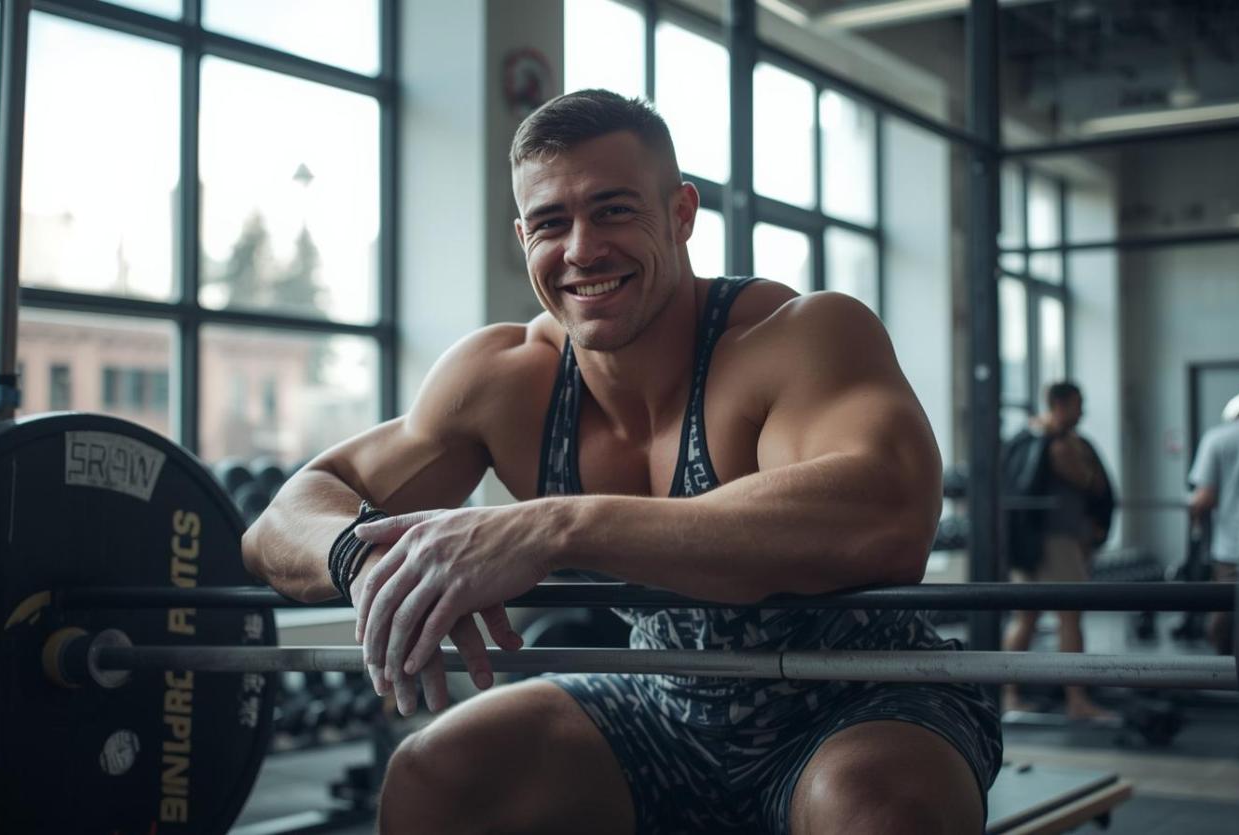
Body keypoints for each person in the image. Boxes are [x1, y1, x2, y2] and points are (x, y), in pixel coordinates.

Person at [242, 89, 1000, 835]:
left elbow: (887, 514)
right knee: (435, 772)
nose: (581, 249)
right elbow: (282, 519)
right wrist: (364, 561)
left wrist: (558, 526)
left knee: (871, 808)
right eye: (550, 222)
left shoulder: (796, 335)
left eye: (612, 209)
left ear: (680, 215)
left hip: (861, 701)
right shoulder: (507, 380)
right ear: (522, 238)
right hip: (663, 705)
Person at [1001, 382, 1117, 721]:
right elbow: (1088, 481)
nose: (1083, 412)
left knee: (1026, 617)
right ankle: (1077, 701)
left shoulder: (1026, 440)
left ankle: (1009, 695)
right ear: (1060, 404)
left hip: (1034, 542)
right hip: (1055, 541)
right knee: (1069, 616)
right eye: (1079, 404)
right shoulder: (1056, 444)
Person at [1187, 378, 1239, 655]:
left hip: (1231, 550)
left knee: (1226, 622)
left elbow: (1204, 497)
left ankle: (1230, 680)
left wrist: (1193, 511)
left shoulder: (1218, 438)